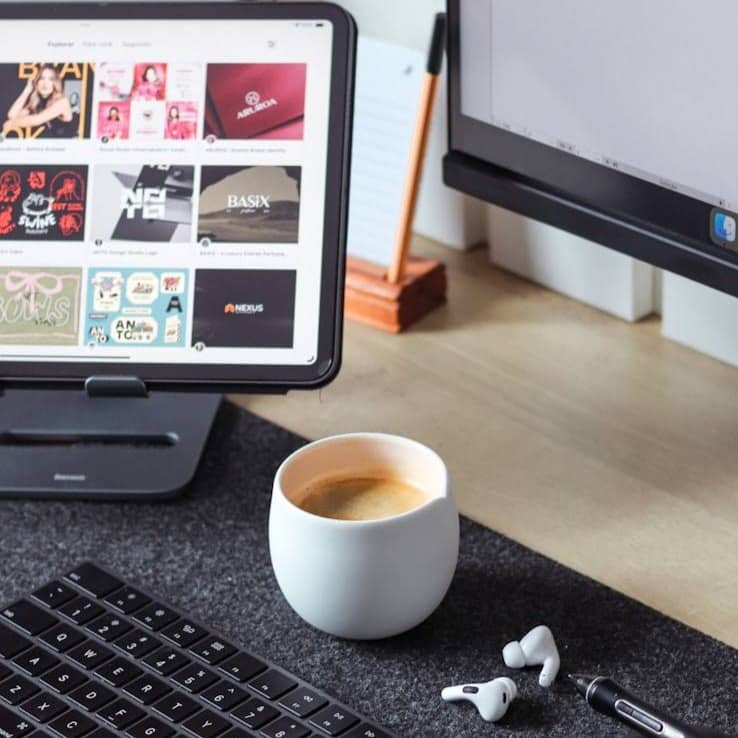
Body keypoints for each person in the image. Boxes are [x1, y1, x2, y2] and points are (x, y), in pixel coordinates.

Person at [3, 64, 76, 137]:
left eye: (50, 79)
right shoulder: (37, 104)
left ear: (55, 83)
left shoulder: (62, 102)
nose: (45, 83)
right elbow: (12, 115)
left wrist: (11, 123)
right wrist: (28, 90)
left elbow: (36, 120)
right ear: (36, 82)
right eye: (41, 78)